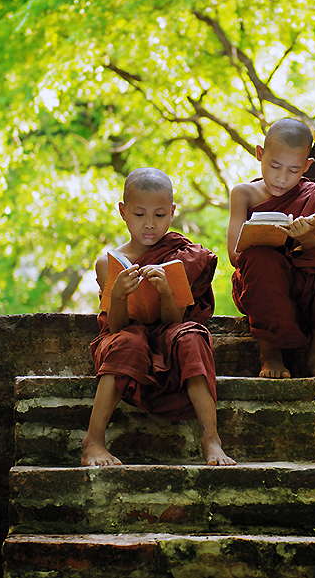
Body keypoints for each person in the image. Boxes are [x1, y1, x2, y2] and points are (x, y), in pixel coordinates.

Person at [82, 167, 235, 467]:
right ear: (123, 212)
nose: (149, 225)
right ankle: (93, 441)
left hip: (168, 334)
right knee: (129, 341)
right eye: (139, 215)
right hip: (127, 336)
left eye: (160, 215)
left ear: (173, 212)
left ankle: (211, 437)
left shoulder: (180, 257)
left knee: (191, 336)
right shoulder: (108, 262)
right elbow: (115, 327)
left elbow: (174, 320)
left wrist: (167, 292)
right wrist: (119, 296)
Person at [226, 118, 315, 379]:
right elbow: (235, 255)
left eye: (293, 170)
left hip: (304, 282)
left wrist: (308, 237)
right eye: (274, 165)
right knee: (260, 259)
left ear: (307, 166)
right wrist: (265, 237)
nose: (281, 177)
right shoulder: (243, 193)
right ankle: (270, 355)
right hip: (262, 280)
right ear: (260, 154)